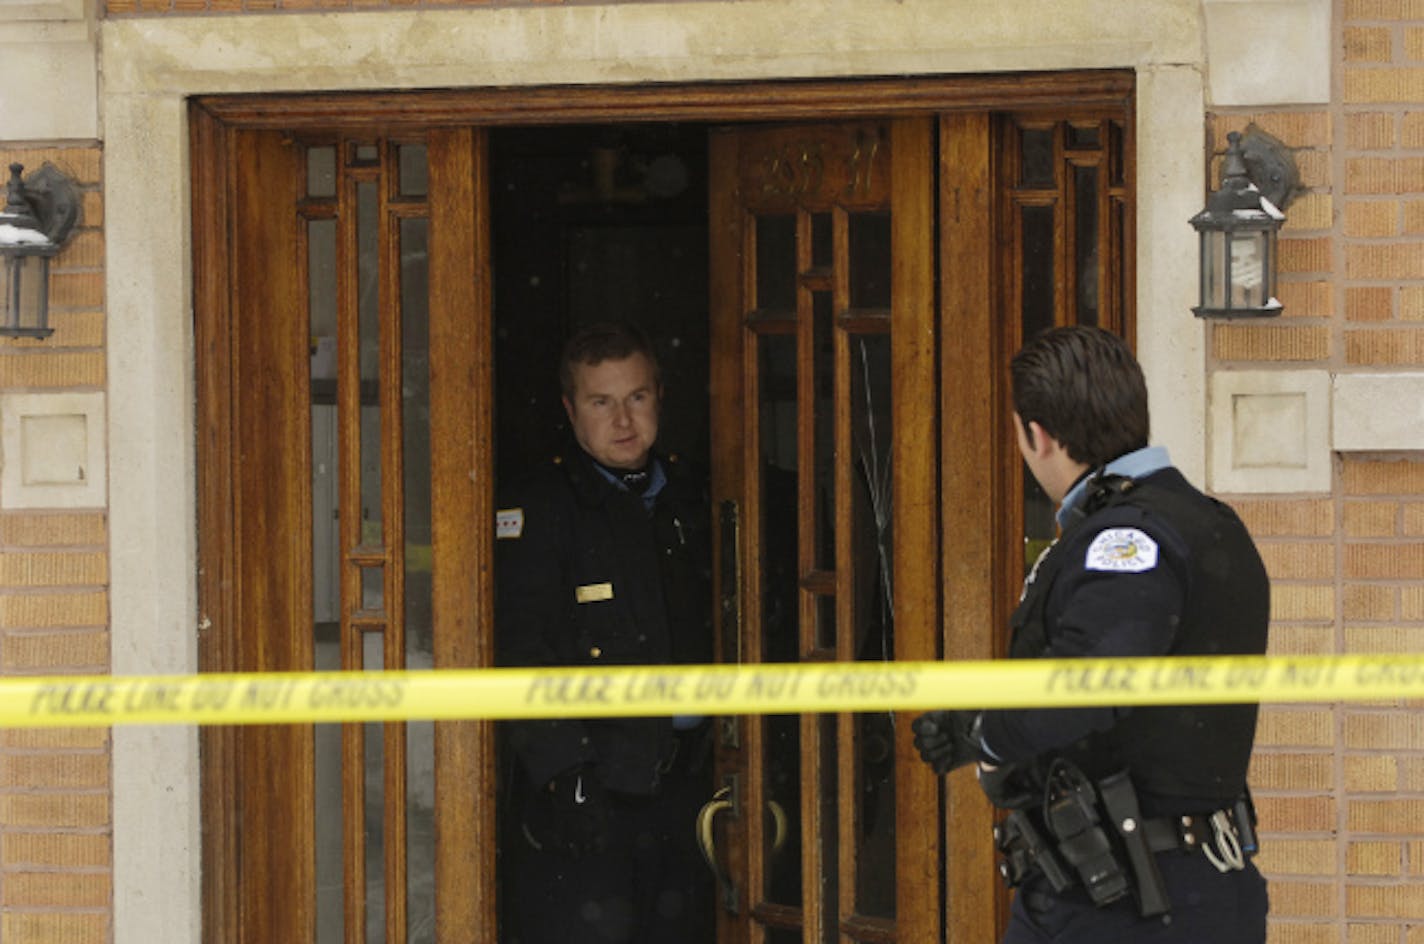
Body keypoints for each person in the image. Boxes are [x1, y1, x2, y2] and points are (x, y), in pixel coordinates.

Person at [912, 325, 1270, 943]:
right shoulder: (1207, 522)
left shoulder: (1127, 538)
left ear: (1039, 434)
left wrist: (981, 732)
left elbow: (1093, 676)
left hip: (1127, 904)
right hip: (1176, 887)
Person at [495, 321, 714, 944]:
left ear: (660, 397)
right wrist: (567, 773)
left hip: (688, 785)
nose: (623, 420)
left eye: (637, 398)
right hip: (593, 791)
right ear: (570, 410)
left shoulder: (694, 495)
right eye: (601, 402)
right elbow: (521, 652)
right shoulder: (540, 507)